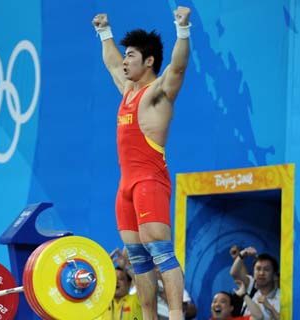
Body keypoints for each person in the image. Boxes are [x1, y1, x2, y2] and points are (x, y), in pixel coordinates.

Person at [92, 6, 191, 320]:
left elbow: (177, 68)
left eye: (131, 55)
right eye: (125, 55)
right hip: (126, 187)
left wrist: (183, 28)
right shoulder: (127, 91)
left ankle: (175, 315)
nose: (123, 60)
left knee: (160, 251)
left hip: (150, 181)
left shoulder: (156, 95)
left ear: (148, 61)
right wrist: (105, 32)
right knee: (137, 258)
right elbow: (110, 62)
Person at [230, 247, 280, 320]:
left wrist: (270, 307)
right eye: (258, 269)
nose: (261, 273)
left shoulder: (283, 297)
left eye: (266, 269)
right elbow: (234, 273)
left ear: (274, 275)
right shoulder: (251, 286)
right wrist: (242, 255)